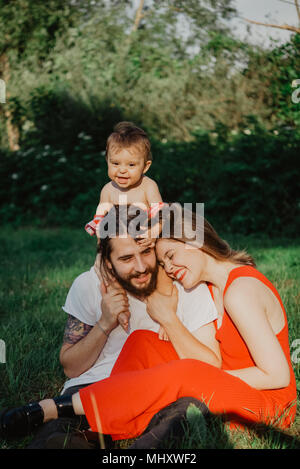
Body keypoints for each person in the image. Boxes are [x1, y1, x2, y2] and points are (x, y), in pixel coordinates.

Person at [0, 205, 219, 446]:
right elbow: (72, 368)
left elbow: (209, 366)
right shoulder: (88, 285)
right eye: (126, 258)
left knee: (188, 411)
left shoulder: (186, 282)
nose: (141, 266)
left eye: (146, 252)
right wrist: (105, 323)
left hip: (158, 392)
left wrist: (169, 318)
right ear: (107, 261)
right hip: (93, 389)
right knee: (56, 438)